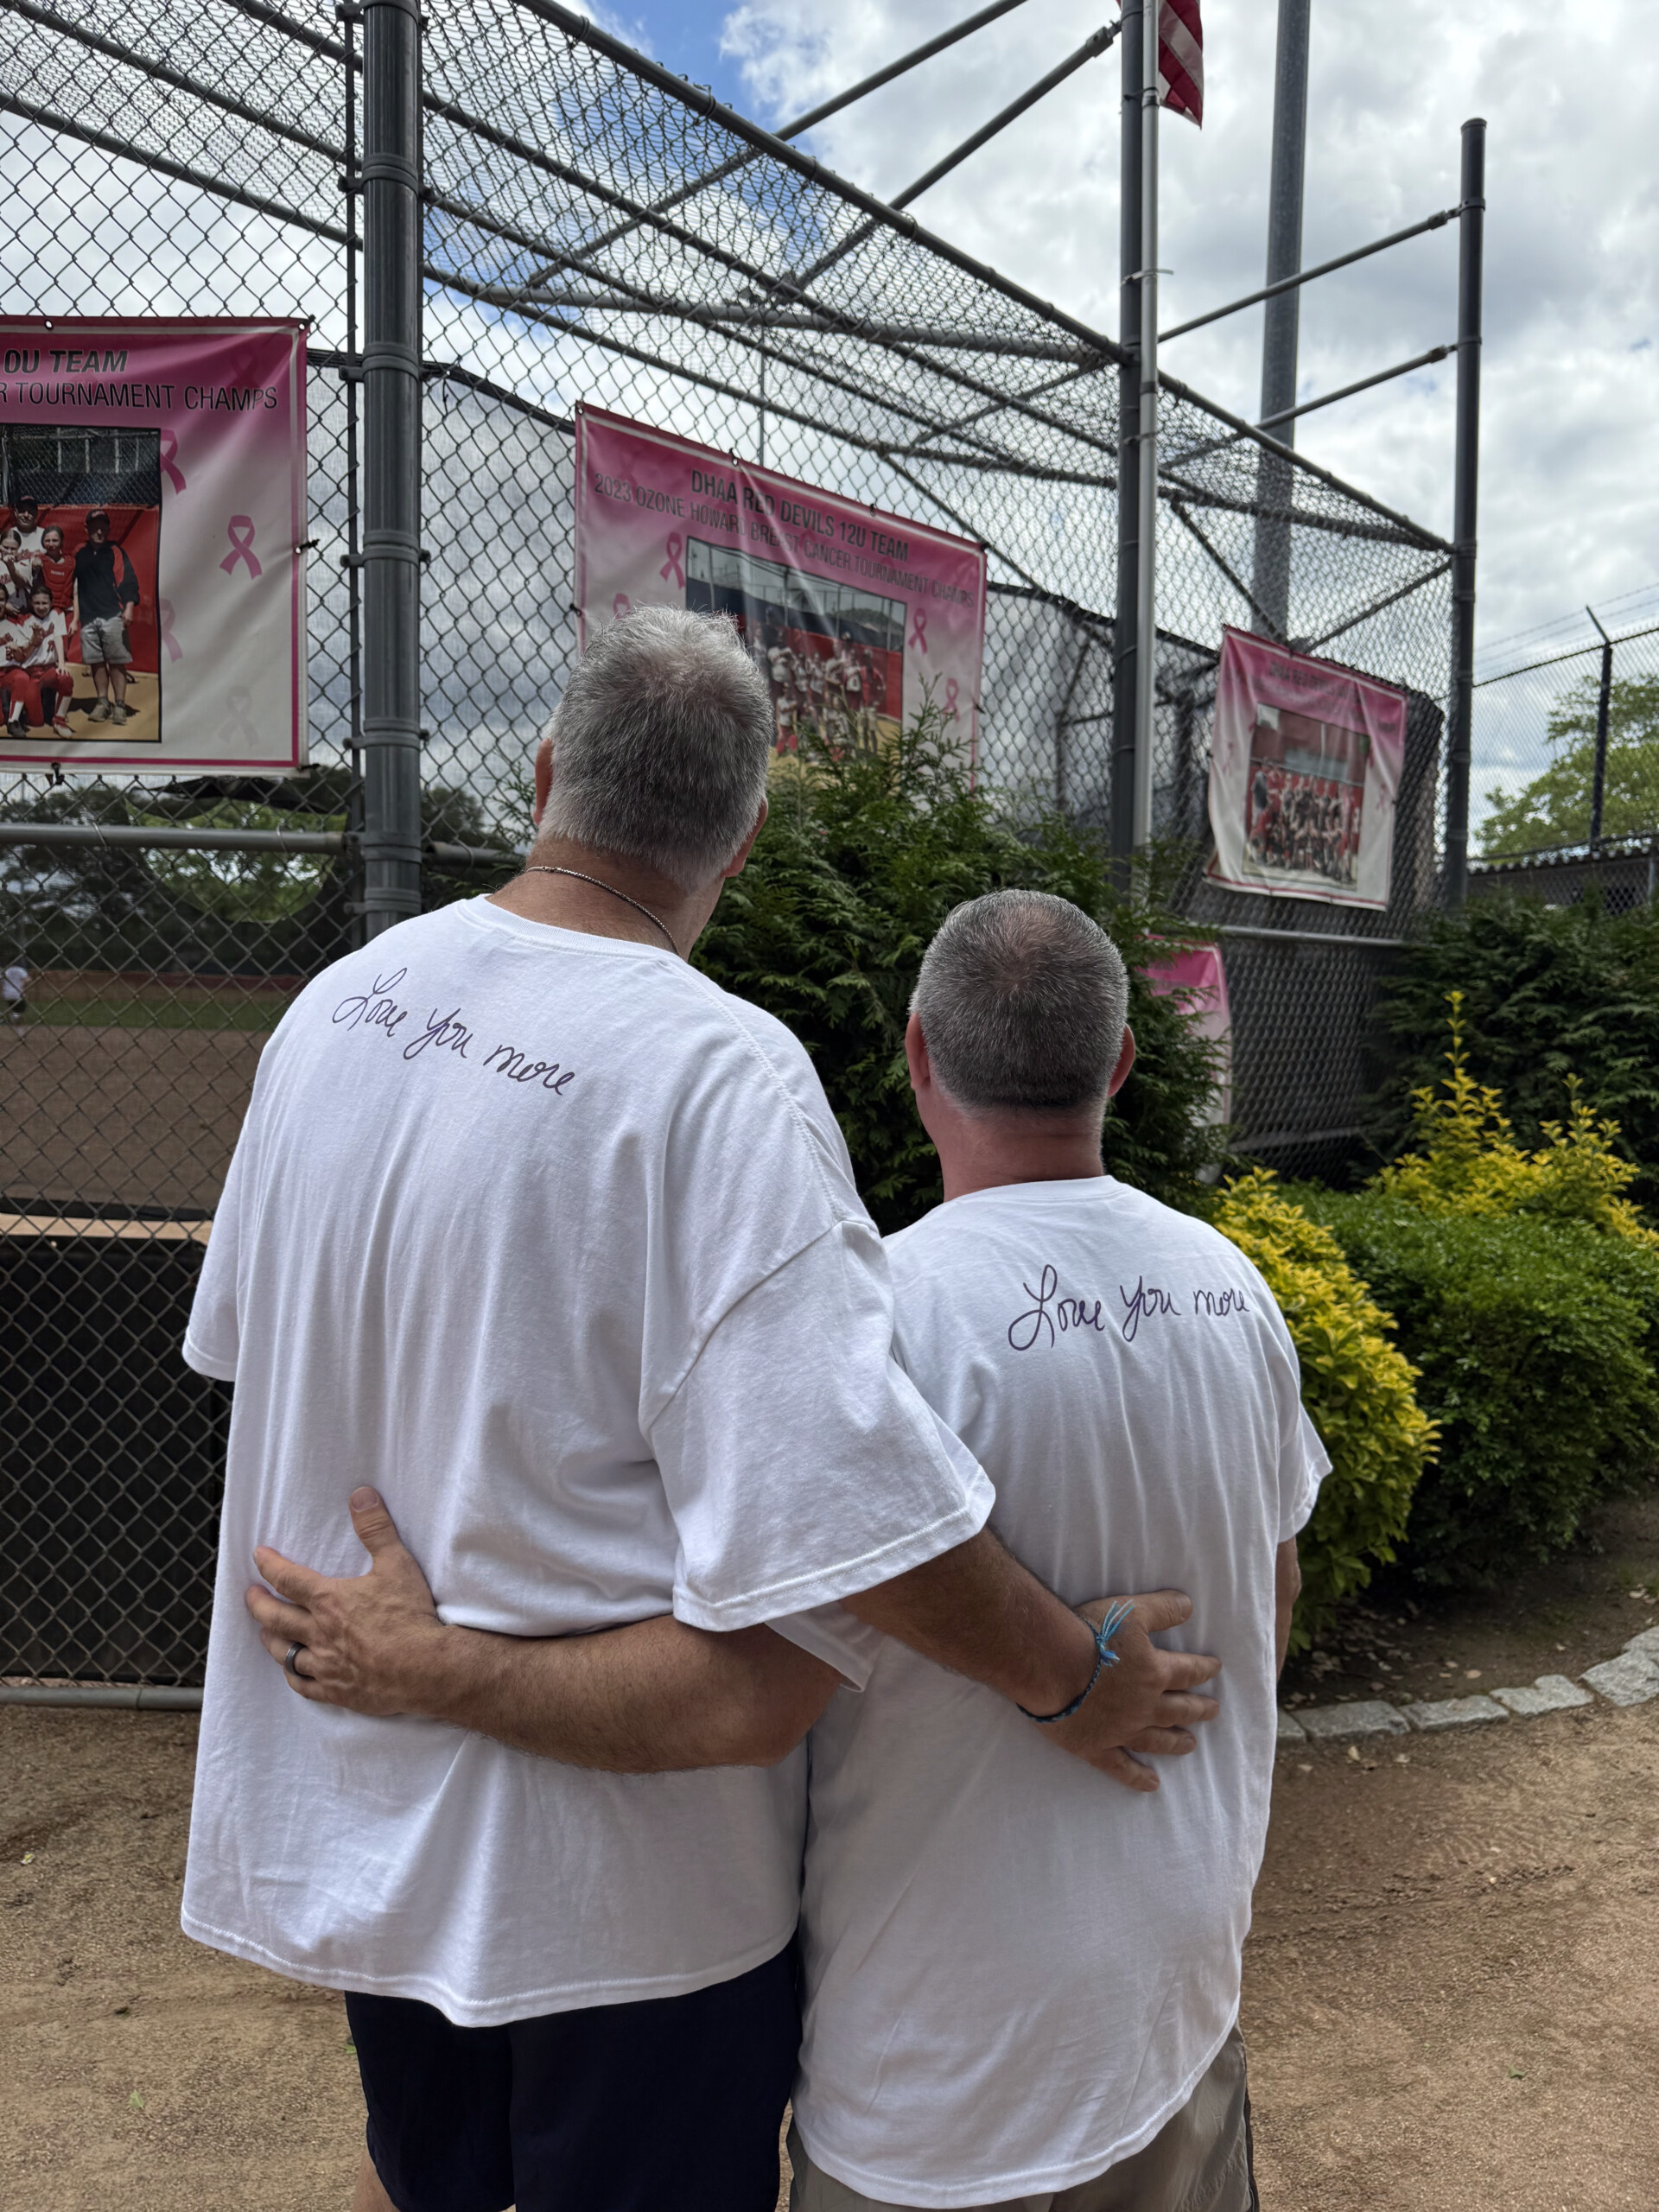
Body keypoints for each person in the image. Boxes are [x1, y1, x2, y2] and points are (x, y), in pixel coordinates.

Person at [188, 607, 1219, 2212]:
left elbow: (267, 1361)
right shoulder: (716, 1077)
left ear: (546, 775)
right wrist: (1071, 1679)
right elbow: (843, 1539)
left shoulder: (335, 1011)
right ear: (740, 837)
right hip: (628, 1923)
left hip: (374, 1846)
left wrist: (420, 1660)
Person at [785, 892, 1326, 2212]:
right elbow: (1273, 1593)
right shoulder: (1232, 1285)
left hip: (937, 2081)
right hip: (1174, 2016)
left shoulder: (872, 1324)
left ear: (916, 1051)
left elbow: (768, 1686)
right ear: (1121, 1063)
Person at [71, 508, 139, 724]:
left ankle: (119, 705)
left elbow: (128, 581)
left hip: (112, 616)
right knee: (96, 663)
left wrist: (129, 607)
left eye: (103, 527)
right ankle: (102, 703)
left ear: (108, 529)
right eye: (95, 527)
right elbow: (68, 580)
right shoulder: (79, 552)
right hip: (88, 619)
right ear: (86, 528)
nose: (99, 531)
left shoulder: (115, 551)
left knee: (117, 662)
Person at [3, 579, 77, 736]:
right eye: (37, 603)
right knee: (36, 722)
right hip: (31, 673)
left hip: (48, 669)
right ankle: (26, 710)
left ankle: (59, 720)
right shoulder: (24, 620)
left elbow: (58, 637)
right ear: (31, 603)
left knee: (65, 679)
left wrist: (61, 664)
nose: (41, 607)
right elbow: (24, 655)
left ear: (51, 602)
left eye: (45, 603)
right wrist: (34, 640)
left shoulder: (57, 614)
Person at [36, 523, 75, 614]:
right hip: (43, 611)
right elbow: (34, 563)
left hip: (66, 610)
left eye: (55, 540)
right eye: (47, 541)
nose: (51, 544)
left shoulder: (72, 563)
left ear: (61, 542)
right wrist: (35, 564)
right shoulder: (39, 560)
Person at [2, 953, 26, 1024]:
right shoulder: (21, 970)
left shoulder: (7, 971)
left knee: (11, 1006)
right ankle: (16, 1016)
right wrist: (22, 985)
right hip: (18, 993)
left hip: (7, 993)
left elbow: (2, 982)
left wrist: (2, 991)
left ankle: (12, 1016)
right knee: (22, 1007)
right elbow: (27, 979)